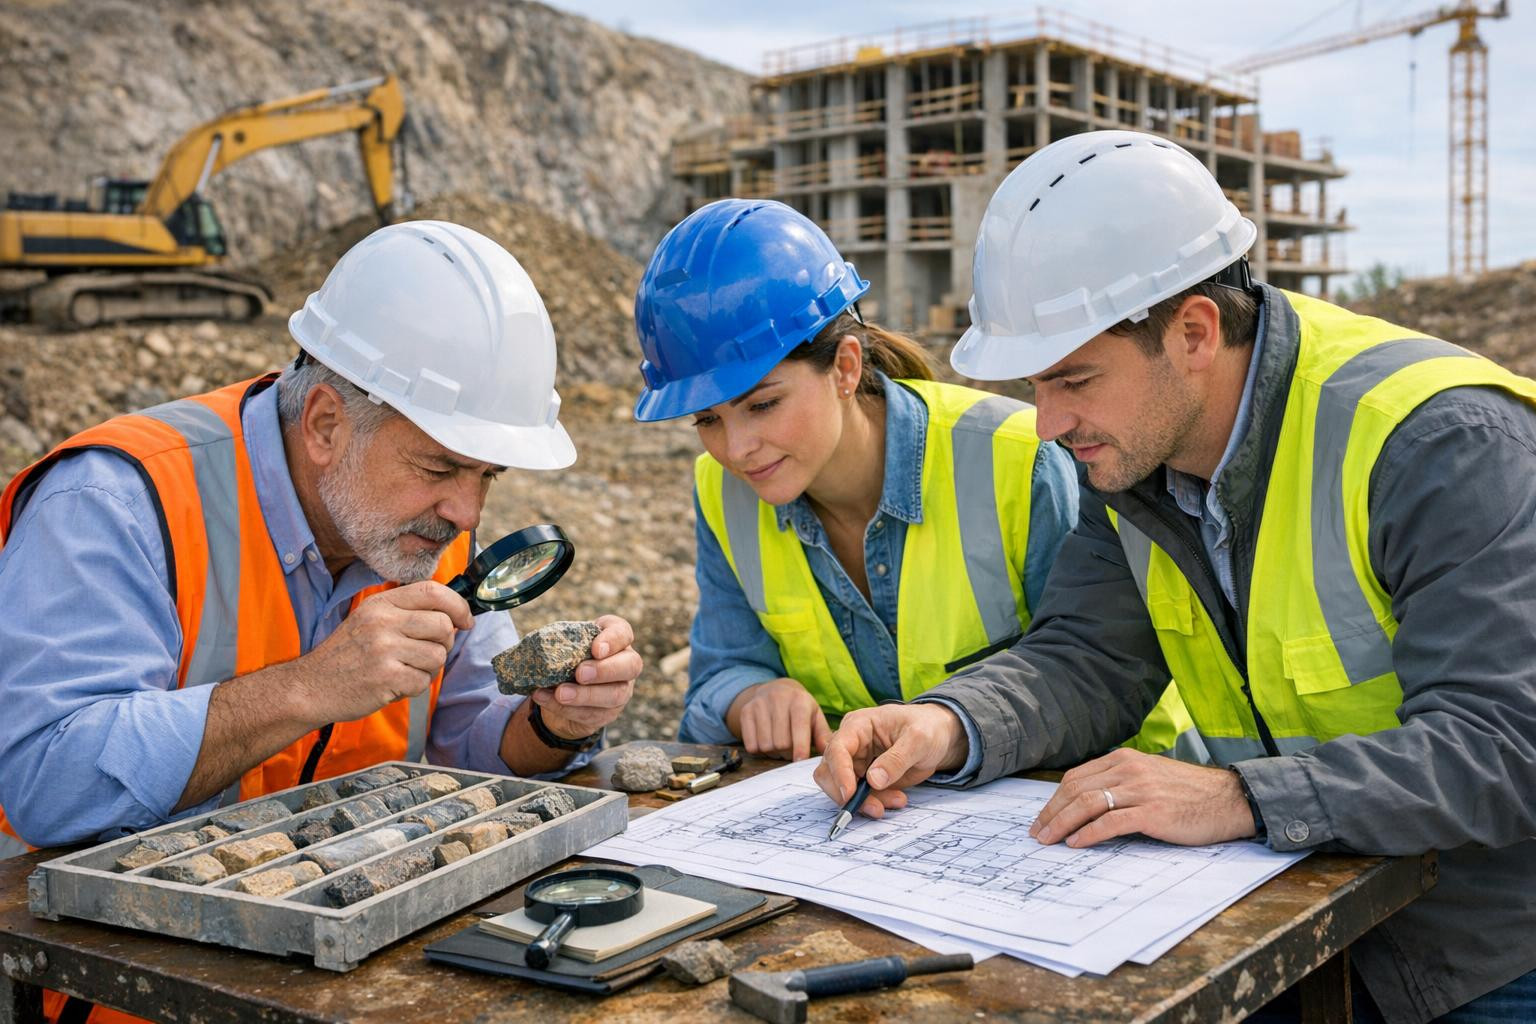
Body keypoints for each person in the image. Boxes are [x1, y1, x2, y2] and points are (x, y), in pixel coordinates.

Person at [813, 130, 1536, 1022]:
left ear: (1193, 330)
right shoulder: (1134, 455)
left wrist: (1239, 796)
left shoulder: (1437, 443)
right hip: (1304, 914)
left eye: (1073, 379)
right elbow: (1089, 656)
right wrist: (950, 723)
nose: (1046, 424)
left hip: (1489, 949)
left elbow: (1507, 744)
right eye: (1037, 384)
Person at [0, 220, 643, 860]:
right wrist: (311, 686)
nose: (468, 512)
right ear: (326, 425)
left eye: (488, 475)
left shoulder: (423, 528)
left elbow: (470, 744)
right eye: (439, 467)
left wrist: (556, 723)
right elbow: (47, 785)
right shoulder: (115, 503)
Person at [632, 198, 1177, 762]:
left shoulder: (1017, 460)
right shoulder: (723, 492)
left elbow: (1096, 673)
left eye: (763, 405)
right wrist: (748, 695)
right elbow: (719, 669)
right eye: (707, 420)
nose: (736, 449)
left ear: (845, 368)